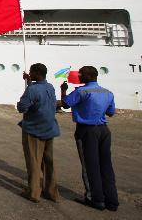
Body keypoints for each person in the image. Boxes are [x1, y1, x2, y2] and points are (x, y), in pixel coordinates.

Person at [60, 66, 119, 212]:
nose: (78, 76)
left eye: (81, 74)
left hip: (87, 130)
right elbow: (111, 112)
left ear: (88, 76)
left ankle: (96, 199)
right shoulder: (108, 92)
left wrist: (63, 90)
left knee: (89, 165)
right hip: (104, 131)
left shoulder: (82, 91)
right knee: (106, 165)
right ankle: (112, 201)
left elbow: (66, 104)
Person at [17, 63, 60, 203]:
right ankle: (51, 192)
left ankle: (34, 192)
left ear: (36, 72)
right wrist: (29, 82)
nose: (30, 73)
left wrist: (29, 86)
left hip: (34, 129)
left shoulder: (32, 90)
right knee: (48, 162)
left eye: (31, 72)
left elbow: (22, 107)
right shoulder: (50, 87)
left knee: (34, 162)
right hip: (49, 128)